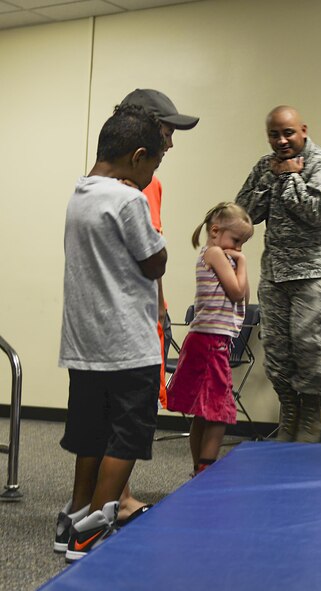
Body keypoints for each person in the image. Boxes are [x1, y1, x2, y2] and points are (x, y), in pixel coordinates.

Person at [55, 103, 167, 561]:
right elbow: (153, 261)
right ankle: (94, 528)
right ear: (138, 156)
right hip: (127, 347)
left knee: (90, 435)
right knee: (127, 438)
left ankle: (73, 518)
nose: (152, 175)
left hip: (84, 345)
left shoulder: (80, 192)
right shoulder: (129, 199)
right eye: (154, 164)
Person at [235, 105, 321, 443]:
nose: (281, 140)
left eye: (288, 133)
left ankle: (311, 413)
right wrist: (271, 179)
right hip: (276, 274)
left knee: (310, 348)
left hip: (317, 273)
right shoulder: (264, 167)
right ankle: (290, 411)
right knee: (278, 351)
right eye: (274, 134)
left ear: (304, 130)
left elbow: (318, 212)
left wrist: (290, 177)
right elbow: (242, 216)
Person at [114, 88, 198, 525]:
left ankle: (113, 495)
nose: (171, 141)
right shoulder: (135, 183)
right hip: (127, 309)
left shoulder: (147, 181)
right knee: (129, 402)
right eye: (168, 130)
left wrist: (161, 305)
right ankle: (118, 499)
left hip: (142, 304)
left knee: (126, 401)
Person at [167, 203, 253, 476]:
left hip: (210, 341)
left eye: (243, 244)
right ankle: (206, 470)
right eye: (237, 240)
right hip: (209, 342)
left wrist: (239, 263)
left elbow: (244, 297)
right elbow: (238, 293)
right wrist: (243, 263)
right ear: (216, 231)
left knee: (205, 413)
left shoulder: (223, 255)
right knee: (219, 412)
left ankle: (199, 469)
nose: (238, 248)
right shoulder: (215, 252)